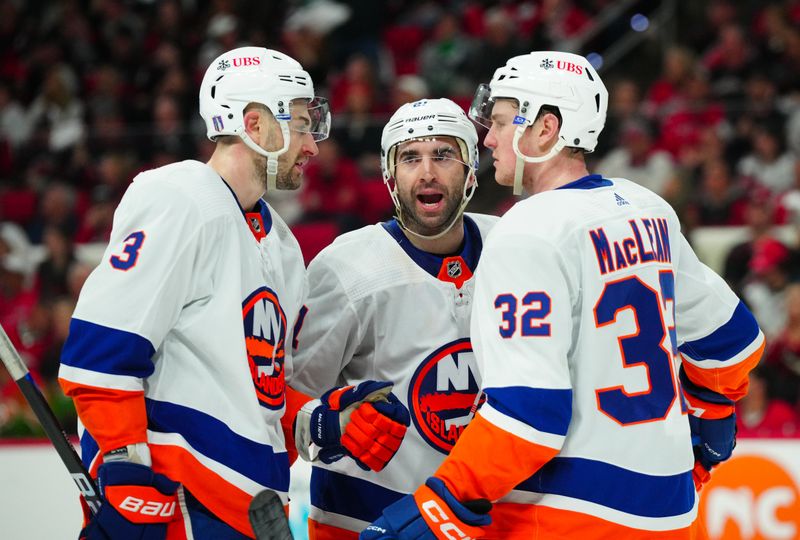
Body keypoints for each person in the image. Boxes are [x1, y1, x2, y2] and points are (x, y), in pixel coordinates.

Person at [362, 51, 765, 539]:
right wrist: (712, 416)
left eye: (503, 121)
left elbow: (530, 415)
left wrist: (439, 504)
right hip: (672, 512)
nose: (488, 137)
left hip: (567, 515)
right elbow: (734, 343)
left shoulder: (527, 230)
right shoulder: (646, 208)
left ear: (546, 128)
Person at [57, 47, 408, 540]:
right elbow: (101, 351)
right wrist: (124, 473)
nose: (312, 145)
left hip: (253, 510)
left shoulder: (282, 244)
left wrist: (323, 421)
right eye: (303, 124)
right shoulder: (179, 196)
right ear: (254, 123)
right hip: (175, 500)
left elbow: (261, 392)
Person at [290, 98, 510, 539]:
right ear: (390, 175)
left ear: (470, 171)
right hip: (362, 521)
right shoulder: (346, 267)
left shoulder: (513, 245)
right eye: (411, 157)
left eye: (443, 155)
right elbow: (286, 397)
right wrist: (331, 425)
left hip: (486, 520)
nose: (427, 172)